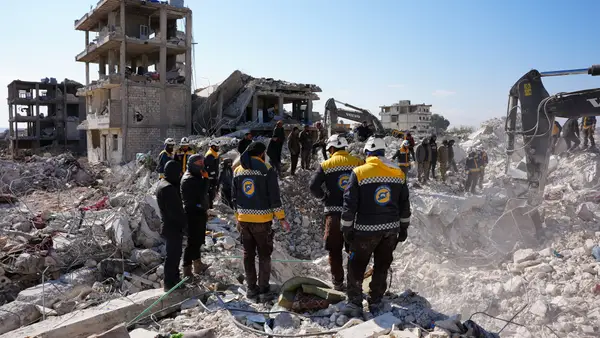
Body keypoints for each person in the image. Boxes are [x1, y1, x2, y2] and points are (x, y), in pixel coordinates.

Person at [341, 136, 411, 315]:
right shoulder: (398, 173)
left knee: (356, 265)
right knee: (382, 265)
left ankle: (355, 303)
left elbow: (349, 204)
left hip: (365, 230)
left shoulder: (359, 172)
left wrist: (346, 229)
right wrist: (404, 227)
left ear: (367, 152)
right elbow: (405, 204)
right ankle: (376, 301)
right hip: (390, 231)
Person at [232, 142, 291, 300]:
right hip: (262, 220)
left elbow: (234, 197)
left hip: (244, 220)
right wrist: (282, 218)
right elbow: (274, 196)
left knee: (248, 254)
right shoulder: (266, 169)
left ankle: (251, 289)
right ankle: (264, 288)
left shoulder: (238, 170)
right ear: (261, 153)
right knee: (264, 255)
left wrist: (238, 217)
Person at [309, 135, 363, 291]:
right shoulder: (358, 162)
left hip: (333, 215)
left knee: (334, 249)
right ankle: (354, 283)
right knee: (354, 249)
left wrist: (325, 198)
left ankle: (338, 283)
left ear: (331, 149)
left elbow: (313, 187)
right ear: (344, 148)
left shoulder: (326, 165)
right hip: (354, 215)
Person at [156, 160, 187, 291]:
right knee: (173, 255)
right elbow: (175, 212)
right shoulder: (168, 188)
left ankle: (174, 280)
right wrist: (185, 226)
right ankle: (170, 283)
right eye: (179, 173)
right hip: (172, 226)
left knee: (174, 254)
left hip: (169, 225)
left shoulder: (163, 184)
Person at [180, 154, 211, 277]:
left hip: (198, 212)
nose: (202, 166)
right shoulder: (189, 179)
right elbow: (202, 193)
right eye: (199, 163)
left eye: (202, 163)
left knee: (197, 241)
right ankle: (186, 270)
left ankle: (198, 264)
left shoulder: (195, 176)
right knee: (192, 242)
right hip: (192, 214)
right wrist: (206, 179)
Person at [205, 140, 221, 209]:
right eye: (217, 147)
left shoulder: (213, 153)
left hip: (212, 177)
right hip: (210, 178)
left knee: (212, 193)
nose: (218, 148)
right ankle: (209, 207)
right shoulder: (210, 155)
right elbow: (210, 168)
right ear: (213, 146)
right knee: (210, 193)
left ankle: (210, 206)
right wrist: (213, 177)